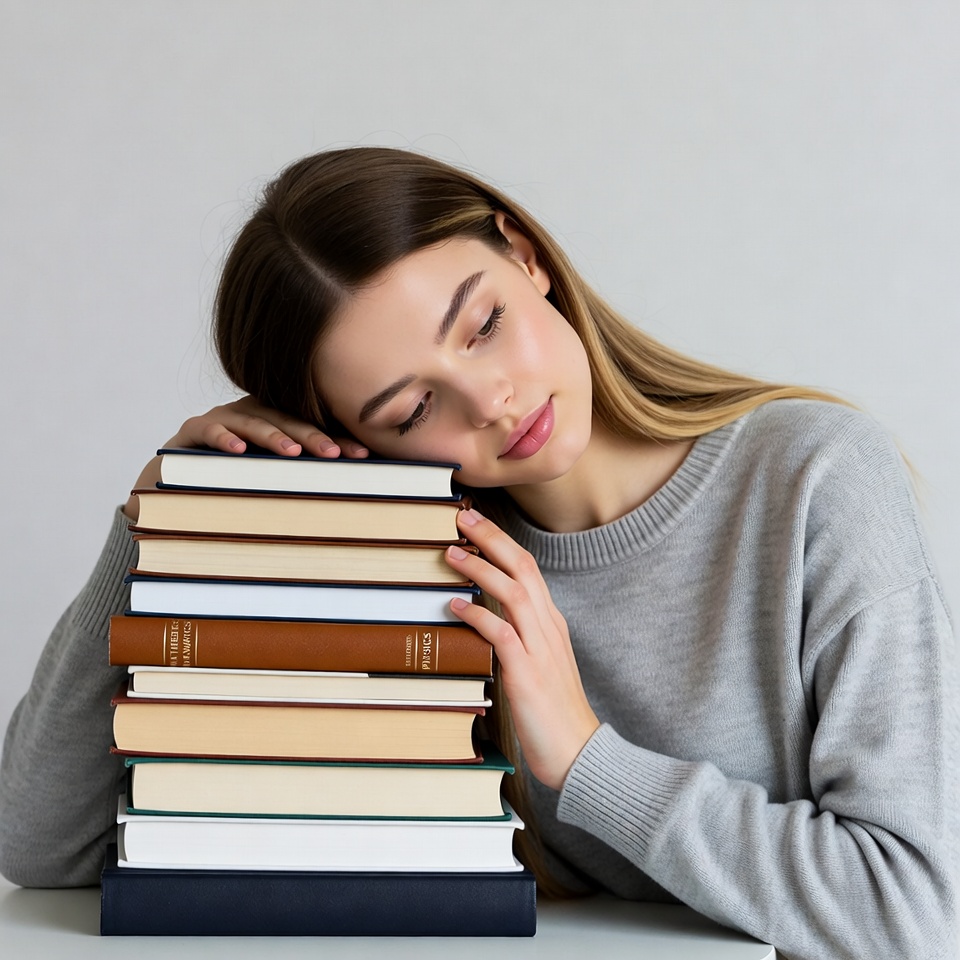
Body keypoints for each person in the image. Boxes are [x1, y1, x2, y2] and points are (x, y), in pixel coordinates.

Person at [1, 147, 956, 959]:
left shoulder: (816, 480)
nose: (491, 400)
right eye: (413, 409)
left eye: (485, 323)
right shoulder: (380, 574)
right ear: (358, 442)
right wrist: (166, 517)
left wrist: (586, 759)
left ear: (527, 255)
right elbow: (39, 846)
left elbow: (913, 909)